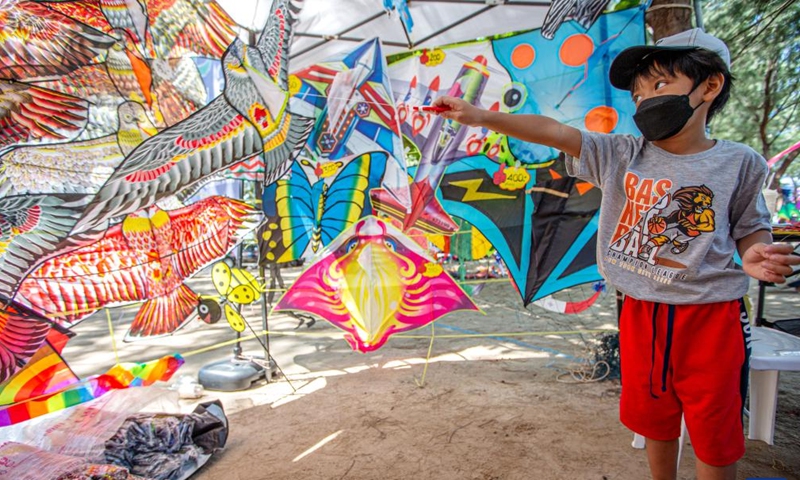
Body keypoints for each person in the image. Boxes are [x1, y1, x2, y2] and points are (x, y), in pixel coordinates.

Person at [431, 28, 800, 480]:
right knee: (654, 419)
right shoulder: (621, 153)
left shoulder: (740, 162)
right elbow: (555, 132)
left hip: (712, 317)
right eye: (638, 94)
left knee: (715, 428)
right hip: (639, 311)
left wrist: (755, 251)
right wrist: (481, 117)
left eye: (659, 85)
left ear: (710, 85)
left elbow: (749, 226)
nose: (645, 102)